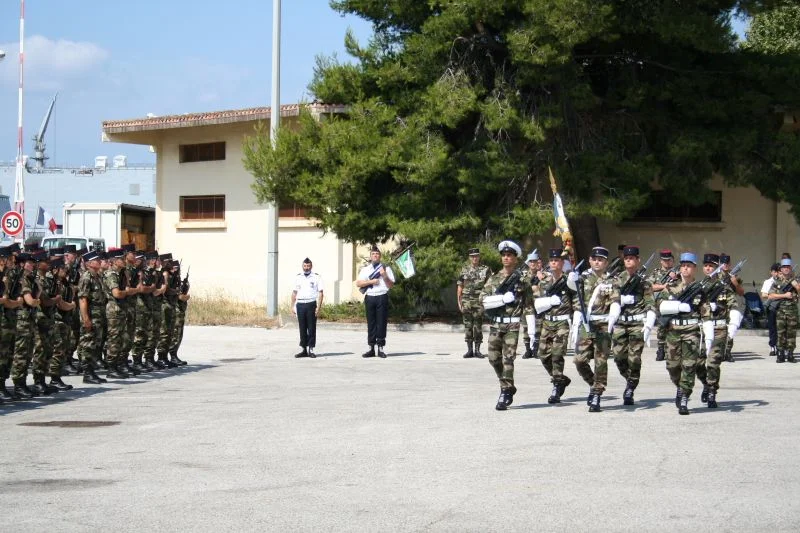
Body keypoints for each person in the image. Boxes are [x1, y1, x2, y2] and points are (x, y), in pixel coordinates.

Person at [480, 240, 534, 410]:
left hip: (512, 325)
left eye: (509, 255)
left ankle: (505, 392)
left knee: (508, 358)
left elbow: (529, 305)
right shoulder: (494, 278)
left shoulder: (522, 281)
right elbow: (482, 299)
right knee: (493, 358)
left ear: (515, 259)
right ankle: (506, 384)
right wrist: (500, 299)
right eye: (503, 255)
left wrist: (532, 331)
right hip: (496, 324)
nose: (506, 258)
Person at [570, 246, 621, 412]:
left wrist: (613, 317)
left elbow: (615, 300)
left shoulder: (612, 280)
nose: (597, 262)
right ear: (590, 260)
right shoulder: (582, 278)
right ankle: (593, 383)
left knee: (600, 361)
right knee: (579, 360)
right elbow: (575, 296)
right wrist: (571, 280)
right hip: (586, 324)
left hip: (604, 325)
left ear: (606, 263)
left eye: (601, 260)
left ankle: (597, 393)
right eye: (594, 259)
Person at [657, 252, 706, 415]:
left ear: (694, 268)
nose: (685, 268)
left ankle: (685, 395)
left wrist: (708, 330)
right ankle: (679, 386)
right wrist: (676, 307)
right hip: (673, 331)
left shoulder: (700, 288)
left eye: (689, 266)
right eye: (683, 265)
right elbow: (659, 305)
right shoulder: (671, 286)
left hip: (691, 331)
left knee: (689, 365)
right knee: (672, 366)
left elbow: (705, 311)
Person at [611, 246, 656, 406]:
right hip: (620, 323)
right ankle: (630, 378)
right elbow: (613, 298)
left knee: (634, 358)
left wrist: (649, 321)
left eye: (631, 258)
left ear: (638, 260)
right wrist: (619, 302)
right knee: (618, 357)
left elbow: (650, 302)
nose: (628, 260)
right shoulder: (617, 279)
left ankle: (630, 387)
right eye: (626, 258)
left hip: (637, 323)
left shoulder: (644, 281)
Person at [696, 253, 741, 409]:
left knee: (713, 362)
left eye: (711, 266)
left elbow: (733, 304)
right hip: (702, 329)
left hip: (719, 329)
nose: (708, 268)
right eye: (706, 266)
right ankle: (706, 384)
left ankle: (712, 392)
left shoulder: (724, 286)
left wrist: (733, 323)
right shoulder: (699, 286)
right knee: (698, 363)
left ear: (717, 268)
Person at [533, 248, 575, 404]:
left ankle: (556, 386)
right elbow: (537, 303)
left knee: (557, 354)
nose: (553, 263)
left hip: (562, 322)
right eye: (551, 260)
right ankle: (560, 378)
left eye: (556, 260)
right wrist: (548, 302)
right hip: (547, 322)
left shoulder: (569, 281)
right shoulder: (544, 282)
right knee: (543, 355)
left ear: (562, 263)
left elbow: (576, 300)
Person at [356, 246, 395, 358]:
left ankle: (380, 348)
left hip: (382, 296)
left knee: (381, 323)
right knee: (371, 323)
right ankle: (371, 348)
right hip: (370, 297)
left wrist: (384, 275)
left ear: (380, 256)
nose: (375, 255)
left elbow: (390, 285)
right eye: (373, 254)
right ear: (370, 256)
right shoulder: (365, 269)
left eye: (377, 254)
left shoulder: (386, 268)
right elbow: (358, 283)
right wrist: (371, 281)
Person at [457, 248, 491, 359]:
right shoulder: (464, 269)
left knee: (478, 326)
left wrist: (487, 301)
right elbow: (460, 286)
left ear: (479, 257)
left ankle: (477, 350)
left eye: (476, 256)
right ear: (469, 257)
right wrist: (459, 302)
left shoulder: (486, 269)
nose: (474, 258)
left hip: (479, 301)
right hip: (466, 301)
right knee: (468, 325)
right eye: (472, 256)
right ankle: (469, 350)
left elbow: (489, 286)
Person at [766, 258, 799, 363]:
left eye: (788, 267)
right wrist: (784, 295)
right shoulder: (777, 282)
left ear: (790, 268)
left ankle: (790, 354)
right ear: (781, 269)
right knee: (780, 333)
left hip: (792, 311)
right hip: (780, 311)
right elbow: (770, 295)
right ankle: (780, 354)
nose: (786, 269)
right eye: (784, 267)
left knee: (791, 333)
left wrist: (797, 287)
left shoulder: (795, 281)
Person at [291, 257, 324, 358]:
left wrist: (318, 307)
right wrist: (292, 306)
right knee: (302, 327)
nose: (306, 268)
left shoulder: (316, 277)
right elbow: (294, 292)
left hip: (311, 304)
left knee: (311, 327)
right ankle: (304, 349)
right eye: (305, 266)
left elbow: (321, 293)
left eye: (308, 266)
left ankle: (311, 349)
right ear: (302, 266)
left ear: (311, 266)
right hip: (300, 304)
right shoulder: (298, 277)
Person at [649, 249, 676, 361]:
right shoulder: (656, 273)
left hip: (675, 303)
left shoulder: (678, 272)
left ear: (672, 260)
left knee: (674, 326)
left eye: (669, 260)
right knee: (662, 326)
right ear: (661, 261)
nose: (667, 262)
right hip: (661, 303)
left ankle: (673, 349)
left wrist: (675, 278)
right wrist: (663, 286)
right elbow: (649, 286)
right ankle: (661, 348)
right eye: (664, 260)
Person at [521, 250, 542, 359]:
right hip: (527, 305)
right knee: (526, 328)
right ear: (528, 263)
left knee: (538, 328)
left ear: (538, 262)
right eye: (531, 262)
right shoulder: (523, 275)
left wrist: (541, 280)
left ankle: (536, 350)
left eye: (535, 261)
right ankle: (528, 350)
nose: (533, 264)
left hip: (538, 306)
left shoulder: (543, 275)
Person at [761, 263, 780, 356]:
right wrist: (773, 295)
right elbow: (764, 295)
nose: (776, 273)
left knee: (781, 328)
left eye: (778, 271)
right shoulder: (768, 282)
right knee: (772, 328)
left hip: (781, 307)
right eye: (774, 271)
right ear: (771, 272)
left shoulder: (783, 281)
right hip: (771, 307)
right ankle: (773, 346)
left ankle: (781, 347)